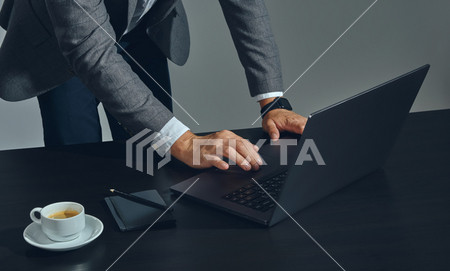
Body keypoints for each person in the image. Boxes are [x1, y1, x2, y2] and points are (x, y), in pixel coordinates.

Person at [0, 0, 307, 172]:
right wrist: (186, 142)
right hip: (63, 41)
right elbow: (90, 50)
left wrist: (272, 100)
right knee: (78, 167)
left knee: (155, 158)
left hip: (139, 26)